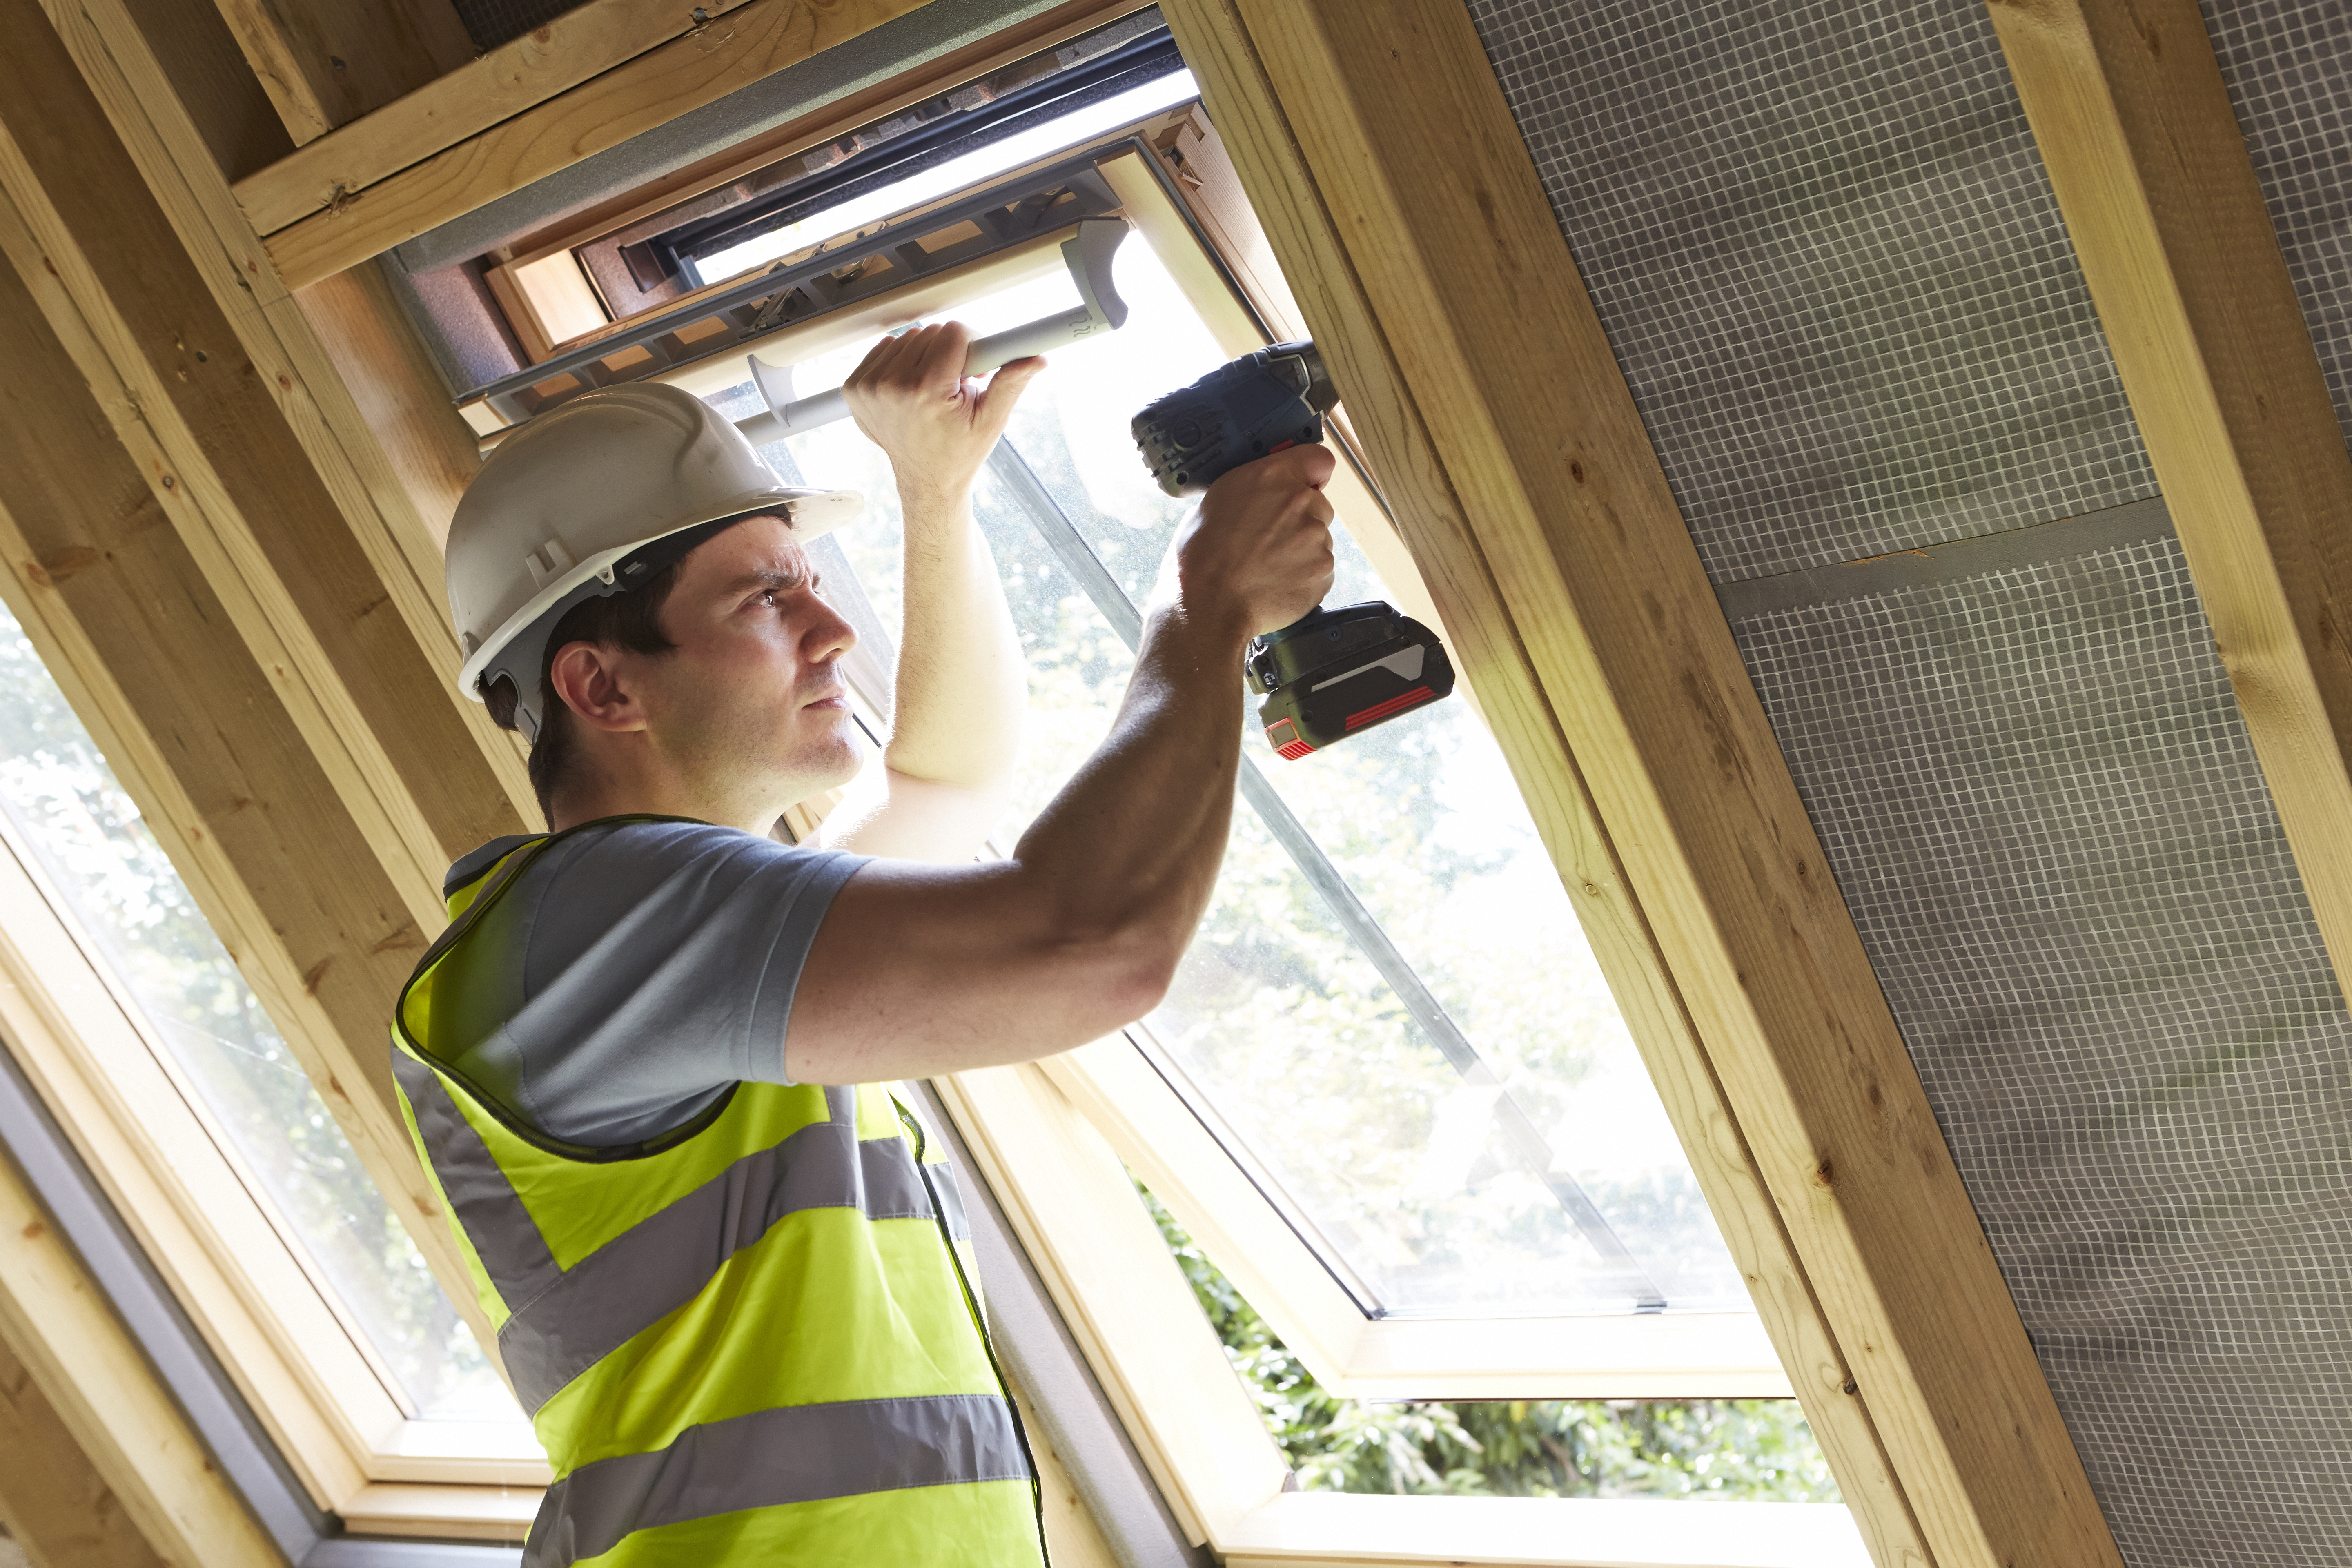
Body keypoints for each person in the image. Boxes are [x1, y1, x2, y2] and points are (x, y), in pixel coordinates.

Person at [393, 322, 1336, 1566]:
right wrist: (1205, 606)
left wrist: (933, 496)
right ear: (604, 689)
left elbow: (948, 777)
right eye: (765, 598)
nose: (832, 632)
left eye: (811, 581)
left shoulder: (663, 945)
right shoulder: (582, 937)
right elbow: (1091, 945)